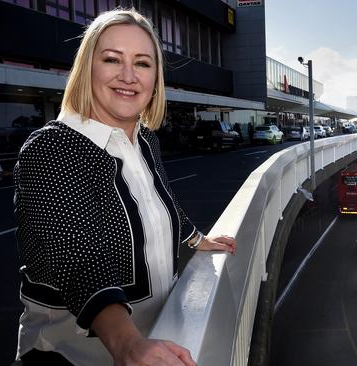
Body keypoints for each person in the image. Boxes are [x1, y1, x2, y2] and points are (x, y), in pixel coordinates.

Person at [13, 9, 236, 366]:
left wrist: (198, 240)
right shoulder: (52, 148)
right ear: (88, 68)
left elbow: (162, 201)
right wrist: (127, 342)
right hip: (71, 354)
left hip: (157, 335)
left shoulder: (145, 140)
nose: (128, 76)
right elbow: (78, 259)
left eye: (143, 63)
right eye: (112, 59)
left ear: (155, 77)